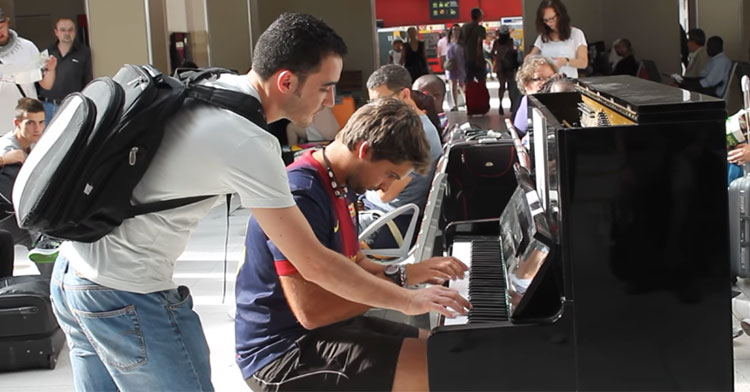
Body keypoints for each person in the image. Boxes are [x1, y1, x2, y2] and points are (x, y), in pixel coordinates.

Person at [49, 13, 468, 392]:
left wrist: (403, 277)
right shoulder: (250, 142)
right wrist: (407, 297)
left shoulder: (211, 86)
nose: (329, 100)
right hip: (124, 289)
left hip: (73, 272)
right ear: (286, 81)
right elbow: (314, 265)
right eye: (324, 88)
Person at [237, 99, 468, 391]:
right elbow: (311, 312)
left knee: (449, 351)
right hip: (281, 352)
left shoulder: (337, 182)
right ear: (364, 150)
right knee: (446, 372)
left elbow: (354, 262)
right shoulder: (303, 194)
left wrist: (407, 273)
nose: (387, 186)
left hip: (326, 329)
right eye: (390, 174)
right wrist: (405, 298)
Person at [360, 65, 443, 249]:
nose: (376, 108)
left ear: (405, 95)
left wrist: (360, 187)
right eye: (371, 102)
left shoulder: (412, 136)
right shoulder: (417, 126)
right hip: (391, 218)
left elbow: (385, 196)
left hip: (390, 223)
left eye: (382, 100)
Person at [0, 8, 56, 133]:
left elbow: (46, 84)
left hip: (28, 124)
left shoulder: (27, 47)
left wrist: (51, 70)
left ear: (7, 22)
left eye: (1, 27)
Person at [0, 97, 45, 249]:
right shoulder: (8, 148)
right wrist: (4, 159)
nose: (37, 128)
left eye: (41, 122)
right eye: (30, 123)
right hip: (8, 214)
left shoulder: (33, 146)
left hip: (18, 215)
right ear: (17, 123)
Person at [37, 17, 92, 125]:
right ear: (56, 32)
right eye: (63, 30)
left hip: (72, 106)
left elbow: (88, 79)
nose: (67, 33)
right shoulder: (47, 53)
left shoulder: (84, 52)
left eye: (70, 30)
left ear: (75, 32)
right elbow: (38, 80)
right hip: (48, 106)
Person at [528, 0, 587, 79]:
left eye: (552, 18)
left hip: (568, 84)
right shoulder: (543, 37)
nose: (549, 23)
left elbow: (583, 62)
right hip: (547, 85)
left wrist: (566, 62)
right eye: (545, 20)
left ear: (560, 15)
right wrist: (529, 59)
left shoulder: (576, 34)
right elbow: (532, 56)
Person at [513, 55, 558, 136]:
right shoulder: (530, 104)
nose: (546, 83)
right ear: (526, 84)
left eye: (550, 78)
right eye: (540, 78)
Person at [491, 25, 519, 115]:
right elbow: (513, 51)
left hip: (500, 66)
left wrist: (497, 58)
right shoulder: (510, 41)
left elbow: (492, 53)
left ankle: (501, 105)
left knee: (502, 86)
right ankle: (511, 105)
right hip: (509, 66)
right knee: (510, 86)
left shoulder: (497, 42)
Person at [460, 7, 487, 83]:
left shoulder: (464, 27)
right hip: (476, 59)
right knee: (481, 81)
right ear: (479, 16)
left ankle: (469, 94)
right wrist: (480, 59)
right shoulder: (480, 29)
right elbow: (479, 44)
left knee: (469, 81)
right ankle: (481, 94)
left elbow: (460, 42)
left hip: (466, 58)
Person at [445, 24, 465, 111]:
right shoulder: (448, 42)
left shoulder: (463, 43)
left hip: (461, 65)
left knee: (462, 85)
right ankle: (454, 105)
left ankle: (466, 102)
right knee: (452, 85)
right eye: (453, 30)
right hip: (451, 66)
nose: (455, 31)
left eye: (457, 30)